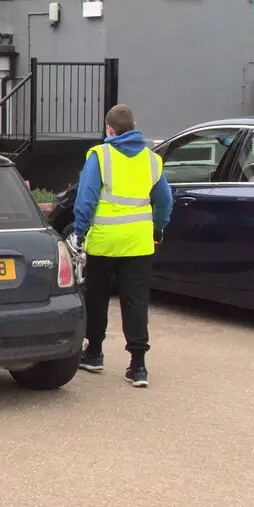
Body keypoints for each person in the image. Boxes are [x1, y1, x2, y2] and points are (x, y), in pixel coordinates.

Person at [72, 104, 173, 389]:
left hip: (104, 242)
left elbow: (86, 199)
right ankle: (138, 366)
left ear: (109, 129)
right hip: (139, 244)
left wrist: (80, 232)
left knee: (97, 298)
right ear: (135, 126)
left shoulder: (100, 156)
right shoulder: (151, 160)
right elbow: (165, 201)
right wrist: (159, 228)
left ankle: (93, 353)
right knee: (136, 301)